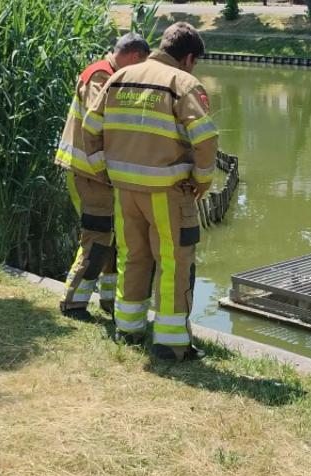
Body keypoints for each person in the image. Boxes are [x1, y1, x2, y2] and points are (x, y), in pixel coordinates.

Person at [82, 22, 217, 361]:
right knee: (174, 261)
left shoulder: (119, 77)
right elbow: (205, 138)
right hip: (167, 190)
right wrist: (202, 181)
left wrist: (103, 170)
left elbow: (90, 127)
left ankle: (128, 329)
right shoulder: (182, 83)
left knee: (133, 256)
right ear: (188, 58)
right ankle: (171, 343)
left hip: (124, 189)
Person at [54, 33, 150, 322]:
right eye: (141, 64)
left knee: (113, 237)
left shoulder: (108, 74)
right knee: (97, 238)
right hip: (88, 172)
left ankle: (109, 301)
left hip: (100, 174)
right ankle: (72, 303)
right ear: (133, 57)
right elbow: (101, 121)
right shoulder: (100, 75)